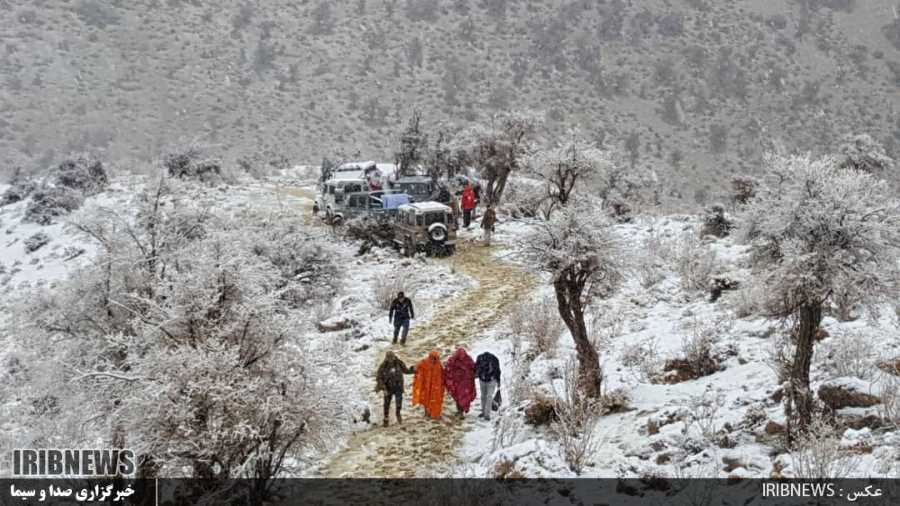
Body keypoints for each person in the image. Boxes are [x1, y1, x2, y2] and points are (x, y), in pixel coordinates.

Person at [375, 351, 415, 427]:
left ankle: (398, 414)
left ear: (394, 357)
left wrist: (413, 370)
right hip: (388, 388)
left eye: (392, 358)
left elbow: (406, 371)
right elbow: (379, 378)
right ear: (386, 358)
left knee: (399, 402)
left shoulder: (399, 363)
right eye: (389, 358)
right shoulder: (383, 366)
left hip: (398, 387)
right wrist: (384, 388)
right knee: (386, 404)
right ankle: (386, 418)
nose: (390, 360)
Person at [443, 348, 476, 418]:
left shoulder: (467, 360)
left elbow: (473, 369)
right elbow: (448, 369)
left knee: (462, 397)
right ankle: (460, 411)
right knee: (459, 397)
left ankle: (461, 411)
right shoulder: (455, 360)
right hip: (458, 383)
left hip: (464, 383)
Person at [412, 352, 445, 420]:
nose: (434, 360)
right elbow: (418, 367)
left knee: (435, 400)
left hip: (435, 386)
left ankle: (434, 413)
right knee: (426, 399)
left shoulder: (439, 365)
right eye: (433, 358)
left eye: (435, 359)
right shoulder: (424, 363)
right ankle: (427, 413)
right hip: (426, 385)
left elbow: (442, 375)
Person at [475, 352, 501, 421]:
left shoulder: (480, 358)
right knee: (488, 396)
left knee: (484, 396)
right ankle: (486, 414)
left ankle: (485, 413)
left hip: (483, 379)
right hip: (491, 380)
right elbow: (498, 371)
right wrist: (498, 381)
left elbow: (476, 368)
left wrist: (477, 375)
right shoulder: (494, 359)